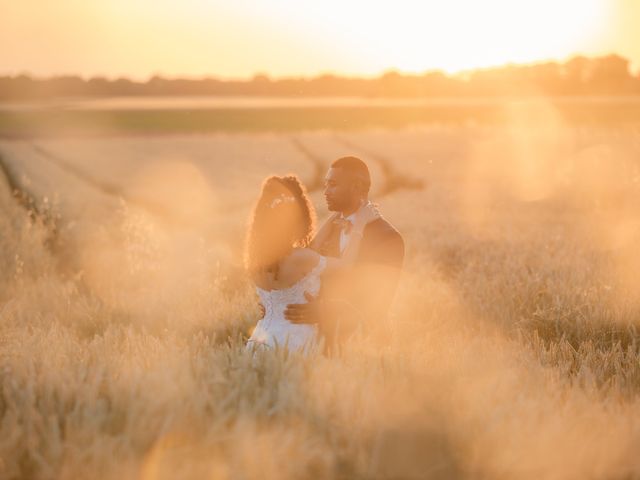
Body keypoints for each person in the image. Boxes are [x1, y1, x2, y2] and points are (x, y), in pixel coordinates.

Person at [244, 174, 379, 354]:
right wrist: (359, 226)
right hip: (292, 342)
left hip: (260, 340)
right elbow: (346, 265)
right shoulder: (301, 258)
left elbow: (311, 250)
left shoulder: (257, 260)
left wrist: (336, 216)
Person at [284, 156, 405, 354]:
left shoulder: (388, 238)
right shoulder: (330, 228)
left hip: (363, 350)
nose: (325, 191)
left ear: (356, 186)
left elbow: (378, 304)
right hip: (315, 344)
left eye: (332, 185)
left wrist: (323, 312)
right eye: (325, 184)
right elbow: (302, 271)